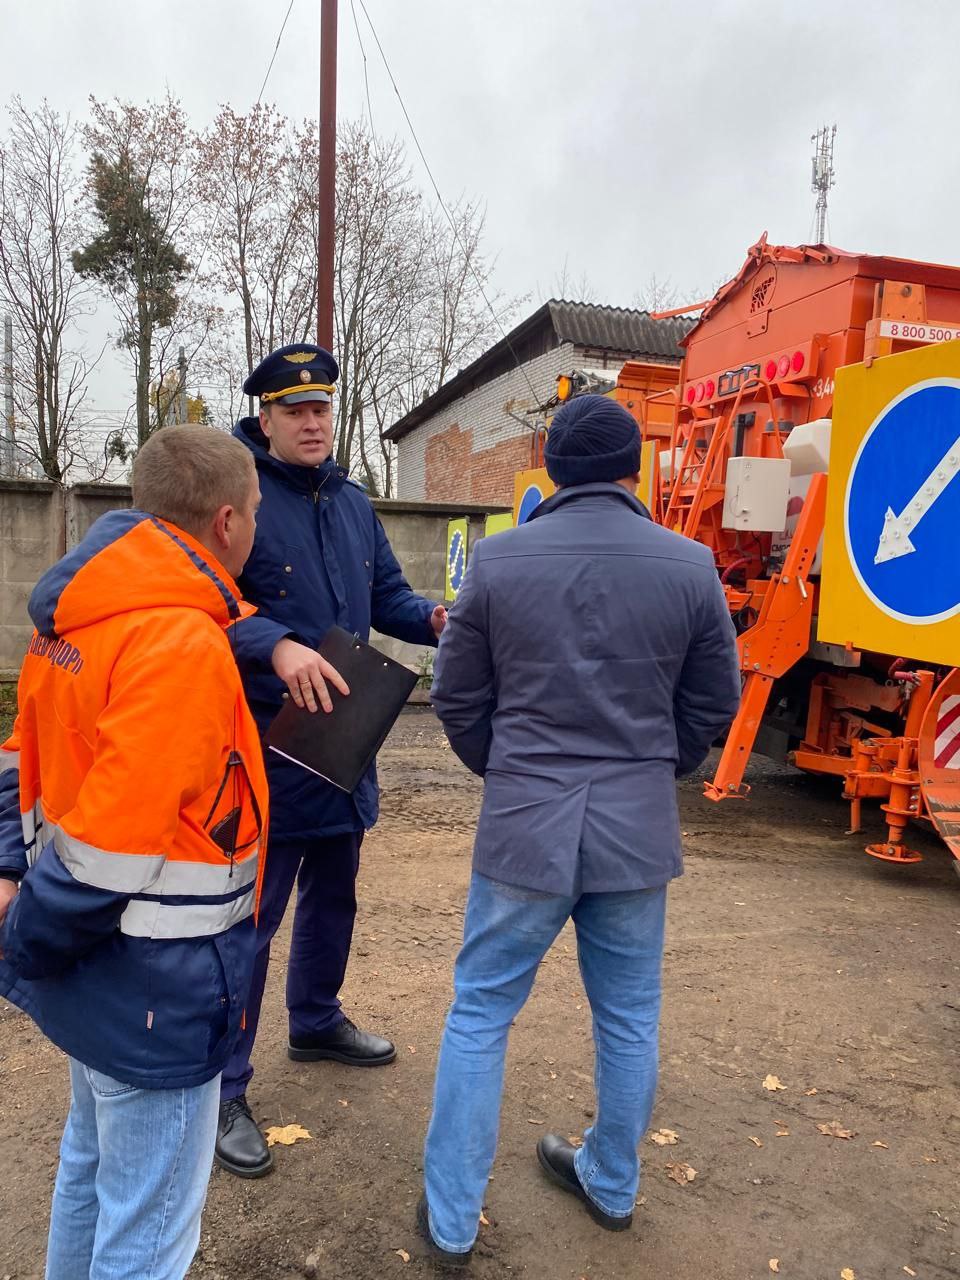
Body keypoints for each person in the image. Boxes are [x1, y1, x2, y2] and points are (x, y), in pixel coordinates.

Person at [417, 394, 742, 1264]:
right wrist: (654, 770)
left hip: (525, 822)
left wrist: (505, 766)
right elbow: (717, 698)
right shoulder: (690, 563)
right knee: (630, 1016)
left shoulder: (498, 560)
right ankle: (612, 1184)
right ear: (634, 469)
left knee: (481, 1011)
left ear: (552, 470)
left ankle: (450, 1218)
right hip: (634, 830)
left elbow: (456, 694)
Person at [0, 426, 270, 1280]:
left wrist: (16, 878)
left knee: (89, 1167)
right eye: (256, 511)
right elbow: (112, 846)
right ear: (226, 522)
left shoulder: (75, 617)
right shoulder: (180, 641)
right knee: (149, 1231)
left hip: (94, 982)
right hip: (155, 987)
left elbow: (19, 761)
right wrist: (24, 943)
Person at [215, 343, 446, 1178]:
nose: (313, 422)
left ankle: (314, 1020)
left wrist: (440, 618)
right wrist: (274, 643)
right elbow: (204, 601)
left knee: (334, 898)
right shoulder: (234, 496)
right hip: (264, 746)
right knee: (250, 921)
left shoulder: (352, 501)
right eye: (295, 410)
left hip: (344, 742)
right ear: (265, 418)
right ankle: (223, 1087)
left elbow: (388, 597)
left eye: (322, 408)